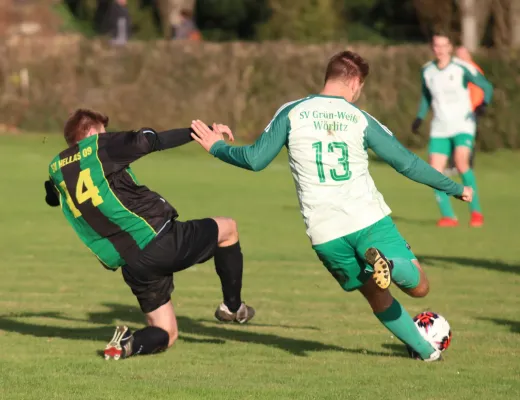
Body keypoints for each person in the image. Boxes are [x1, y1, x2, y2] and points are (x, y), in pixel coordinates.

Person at [188, 51, 473, 362]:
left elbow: (255, 160)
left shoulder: (292, 112)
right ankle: (390, 266)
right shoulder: (359, 117)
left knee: (376, 295)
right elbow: (405, 162)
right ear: (353, 82)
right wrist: (454, 188)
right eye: (360, 86)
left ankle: (426, 353)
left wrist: (218, 147)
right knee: (419, 287)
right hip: (367, 220)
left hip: (325, 234)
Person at [44, 109, 255, 360]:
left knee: (166, 332)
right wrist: (202, 132)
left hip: (133, 265)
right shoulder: (100, 148)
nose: (106, 136)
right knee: (228, 228)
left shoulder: (58, 170)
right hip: (161, 240)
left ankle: (125, 345)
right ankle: (232, 308)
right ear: (90, 133)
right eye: (103, 132)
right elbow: (149, 140)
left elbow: (51, 196)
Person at [411, 33, 493, 227]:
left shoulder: (461, 67)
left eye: (444, 45)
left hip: (463, 124)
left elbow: (486, 86)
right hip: (440, 126)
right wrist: (420, 117)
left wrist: (482, 105)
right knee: (434, 171)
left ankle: (476, 212)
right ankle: (448, 216)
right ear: (432, 48)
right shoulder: (427, 71)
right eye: (436, 46)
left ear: (450, 47)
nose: (440, 49)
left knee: (461, 161)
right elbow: (425, 96)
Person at [444, 47, 485, 175]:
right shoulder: (456, 70)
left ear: (468, 55)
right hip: (455, 111)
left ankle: (467, 166)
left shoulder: (473, 70)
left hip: (469, 111)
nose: (459, 58)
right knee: (451, 137)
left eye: (462, 55)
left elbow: (478, 91)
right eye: (458, 55)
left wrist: (473, 108)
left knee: (466, 140)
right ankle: (453, 166)